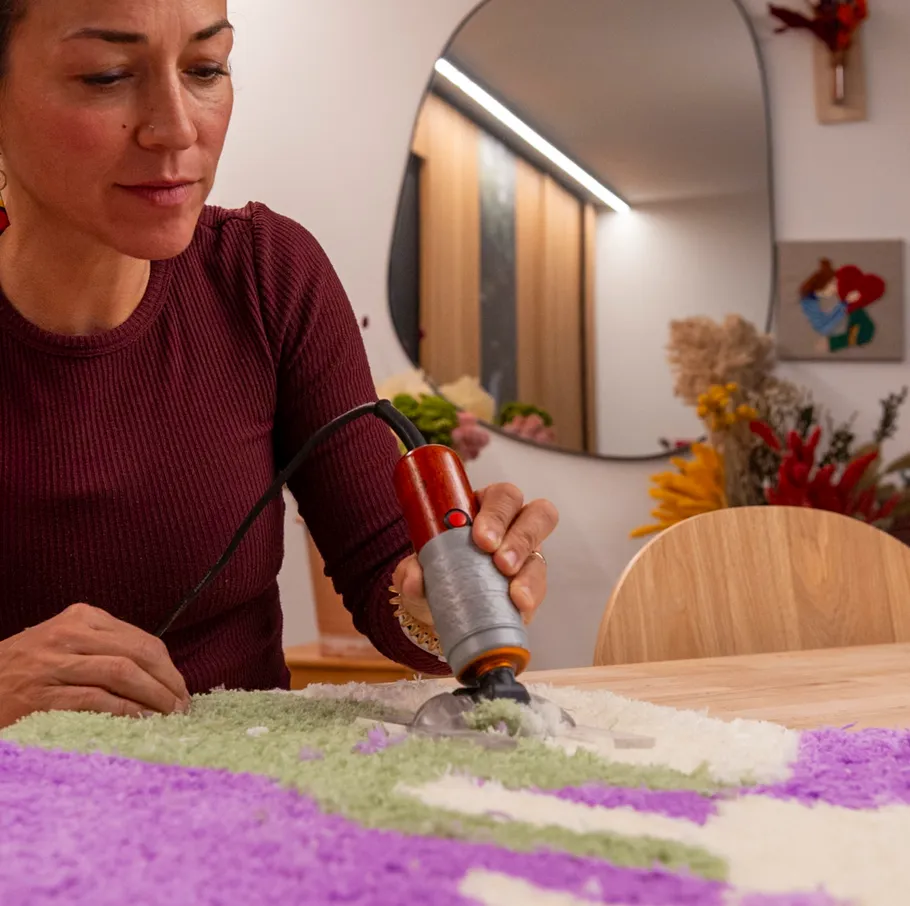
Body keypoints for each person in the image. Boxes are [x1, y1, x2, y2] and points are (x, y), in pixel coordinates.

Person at [0, 0, 558, 729]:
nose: (177, 128)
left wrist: (445, 596)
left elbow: (384, 583)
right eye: (107, 75)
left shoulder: (268, 276)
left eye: (206, 68)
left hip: (249, 793)